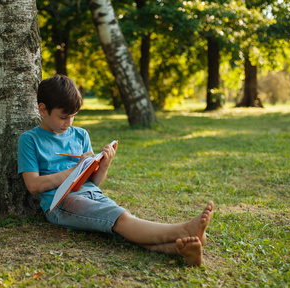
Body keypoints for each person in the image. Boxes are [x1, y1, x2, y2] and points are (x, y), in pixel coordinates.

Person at [18, 75, 214, 266]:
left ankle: (180, 250)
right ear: (43, 110)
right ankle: (183, 230)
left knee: (120, 223)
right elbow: (33, 186)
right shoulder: (30, 140)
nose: (69, 123)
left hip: (91, 193)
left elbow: (92, 182)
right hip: (60, 202)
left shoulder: (80, 135)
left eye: (73, 116)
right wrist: (74, 169)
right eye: (63, 117)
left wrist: (103, 165)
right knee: (119, 218)